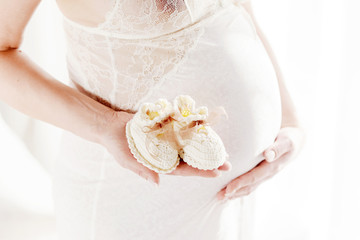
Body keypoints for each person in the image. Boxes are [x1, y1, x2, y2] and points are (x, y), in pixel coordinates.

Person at [0, 0, 305, 239]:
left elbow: (238, 7)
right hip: (133, 203)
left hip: (230, 201)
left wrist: (290, 120)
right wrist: (104, 124)